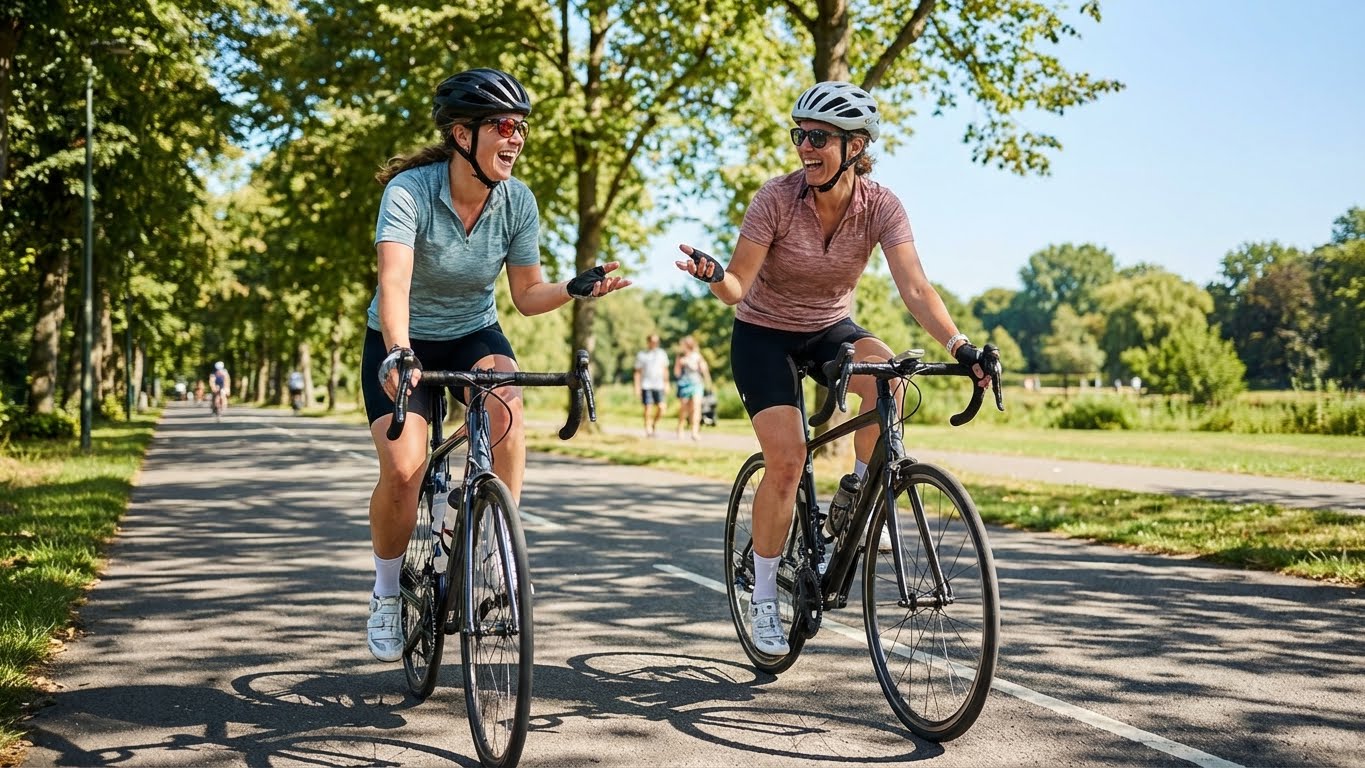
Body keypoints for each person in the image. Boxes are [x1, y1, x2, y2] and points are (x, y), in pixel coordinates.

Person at [674, 81, 994, 657]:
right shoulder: (774, 198)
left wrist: (961, 346)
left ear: (856, 146)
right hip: (763, 333)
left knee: (888, 376)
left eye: (818, 136)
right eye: (800, 134)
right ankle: (766, 595)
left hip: (828, 327)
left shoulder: (882, 206)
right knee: (789, 458)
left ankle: (856, 489)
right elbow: (738, 287)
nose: (805, 146)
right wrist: (715, 272)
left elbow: (916, 287)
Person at [362, 68, 630, 663]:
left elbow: (527, 296)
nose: (516, 138)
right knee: (405, 473)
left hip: (472, 331)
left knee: (506, 400)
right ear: (462, 135)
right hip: (400, 336)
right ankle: (385, 592)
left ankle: (498, 540)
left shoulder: (518, 201)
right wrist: (400, 352)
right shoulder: (408, 192)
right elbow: (394, 280)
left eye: (522, 129)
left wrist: (575, 287)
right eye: (503, 127)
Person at [673, 335, 712, 440]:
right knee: (684, 408)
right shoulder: (680, 357)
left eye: (683, 345)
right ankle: (680, 428)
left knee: (696, 406)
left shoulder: (697, 356)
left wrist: (708, 382)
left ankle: (695, 431)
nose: (682, 347)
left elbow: (704, 369)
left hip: (697, 384)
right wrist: (680, 364)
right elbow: (676, 373)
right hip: (684, 384)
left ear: (688, 345)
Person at [632, 334, 669, 437]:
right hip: (646, 385)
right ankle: (648, 429)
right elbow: (637, 372)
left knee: (662, 407)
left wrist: (667, 383)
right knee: (647, 408)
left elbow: (665, 370)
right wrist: (637, 386)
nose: (655, 343)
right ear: (648, 342)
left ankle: (654, 424)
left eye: (657, 341)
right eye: (653, 341)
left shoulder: (662, 354)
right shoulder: (642, 355)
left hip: (659, 385)